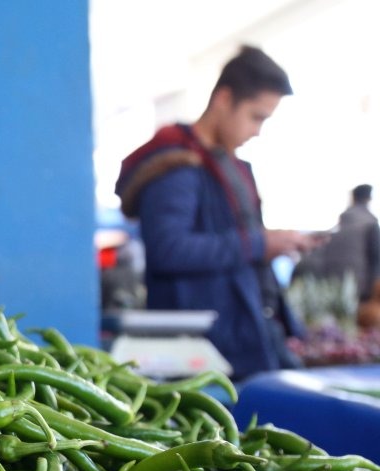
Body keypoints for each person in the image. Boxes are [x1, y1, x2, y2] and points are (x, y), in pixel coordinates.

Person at [115, 45, 320, 381]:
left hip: (246, 340)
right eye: (256, 117)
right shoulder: (176, 167)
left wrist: (275, 242)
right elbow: (169, 249)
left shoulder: (229, 167)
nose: (258, 131)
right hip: (210, 353)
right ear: (225, 99)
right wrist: (258, 244)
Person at [295, 184, 380, 301]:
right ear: (369, 200)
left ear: (353, 199)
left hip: (333, 289)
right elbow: (376, 260)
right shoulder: (370, 224)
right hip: (361, 290)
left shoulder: (341, 225)